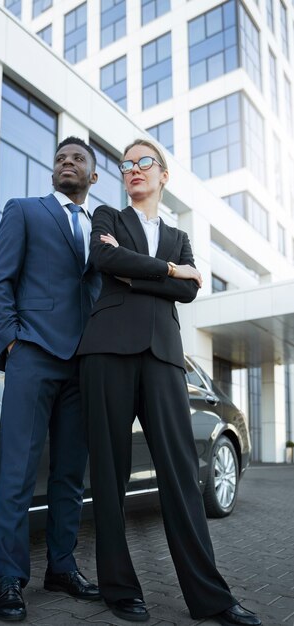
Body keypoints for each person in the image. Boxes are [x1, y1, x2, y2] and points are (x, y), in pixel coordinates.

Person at [77, 139, 261, 626]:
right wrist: (168, 271)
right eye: (127, 164)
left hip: (163, 356)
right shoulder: (106, 219)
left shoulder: (179, 234)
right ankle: (119, 588)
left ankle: (212, 599)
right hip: (107, 351)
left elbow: (186, 292)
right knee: (110, 475)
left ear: (163, 175)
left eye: (144, 163)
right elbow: (106, 262)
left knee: (182, 476)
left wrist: (148, 273)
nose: (133, 170)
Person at [0, 137, 102, 622]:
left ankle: (61, 566)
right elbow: (0, 279)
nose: (67, 163)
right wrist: (12, 342)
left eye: (78, 159)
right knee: (16, 474)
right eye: (60, 158)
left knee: (70, 477)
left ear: (93, 177)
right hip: (32, 355)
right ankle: (10, 579)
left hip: (83, 365)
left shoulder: (102, 230)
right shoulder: (25, 211)